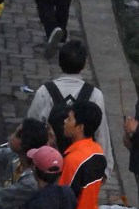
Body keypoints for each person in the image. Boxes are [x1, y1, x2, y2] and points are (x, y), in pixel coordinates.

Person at [27, 38, 112, 166]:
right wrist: (105, 169)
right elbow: (101, 134)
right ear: (83, 65)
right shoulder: (95, 95)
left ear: (60, 63)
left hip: (49, 164)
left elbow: (31, 128)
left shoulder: (45, 91)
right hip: (81, 165)